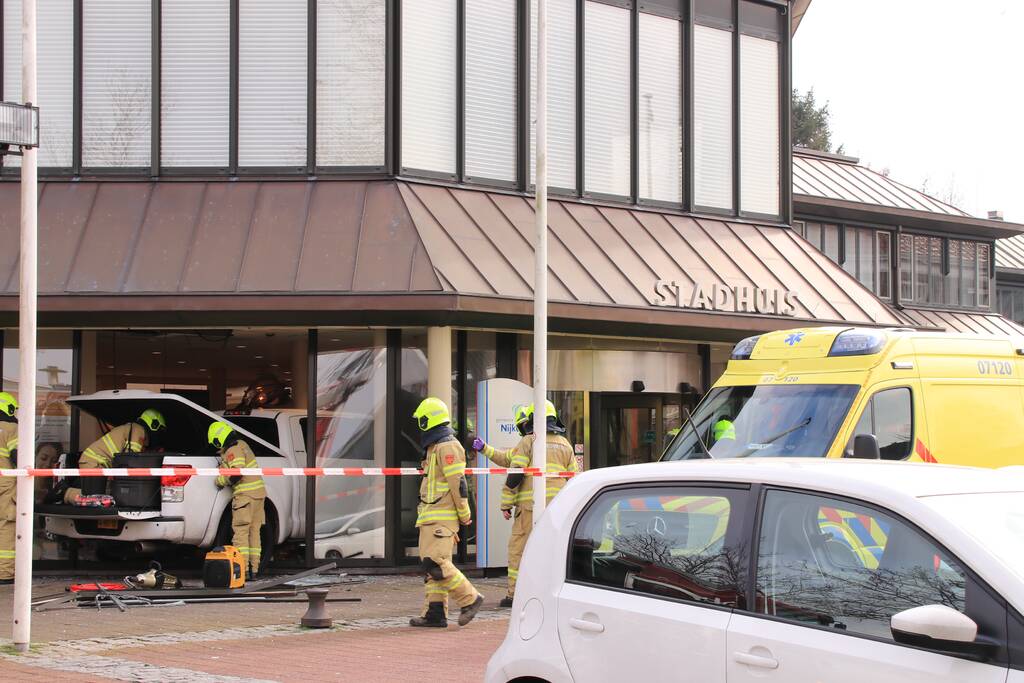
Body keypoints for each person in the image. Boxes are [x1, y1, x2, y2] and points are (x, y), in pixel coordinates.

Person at [473, 400, 577, 607]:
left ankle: (514, 595)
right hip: (556, 510)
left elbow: (516, 473)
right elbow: (573, 477)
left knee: (518, 550)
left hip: (530, 508)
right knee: (549, 551)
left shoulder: (530, 441)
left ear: (532, 419)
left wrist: (505, 503)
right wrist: (485, 449)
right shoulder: (565, 444)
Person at [409, 397, 484, 628]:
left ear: (429, 420)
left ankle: (470, 598)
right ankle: (435, 612)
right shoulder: (434, 448)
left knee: (436, 562)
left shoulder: (448, 446)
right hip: (430, 515)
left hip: (442, 516)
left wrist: (464, 515)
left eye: (421, 420)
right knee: (430, 567)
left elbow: (458, 484)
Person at [63, 408, 167, 504]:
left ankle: (70, 490)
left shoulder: (133, 428)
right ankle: (65, 492)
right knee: (96, 499)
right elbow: (131, 459)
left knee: (104, 496)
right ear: (154, 424)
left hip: (97, 462)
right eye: (161, 430)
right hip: (95, 462)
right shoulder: (139, 430)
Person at [210, 421, 266, 579]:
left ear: (218, 439)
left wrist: (220, 480)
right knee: (255, 533)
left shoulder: (233, 450)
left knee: (241, 534)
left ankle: (241, 571)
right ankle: (254, 570)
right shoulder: (242, 444)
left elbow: (236, 474)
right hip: (259, 495)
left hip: (245, 497)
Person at [0, 392, 19, 586]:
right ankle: (4, 574)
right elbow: (18, 457)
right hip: (4, 483)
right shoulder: (11, 428)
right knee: (6, 526)